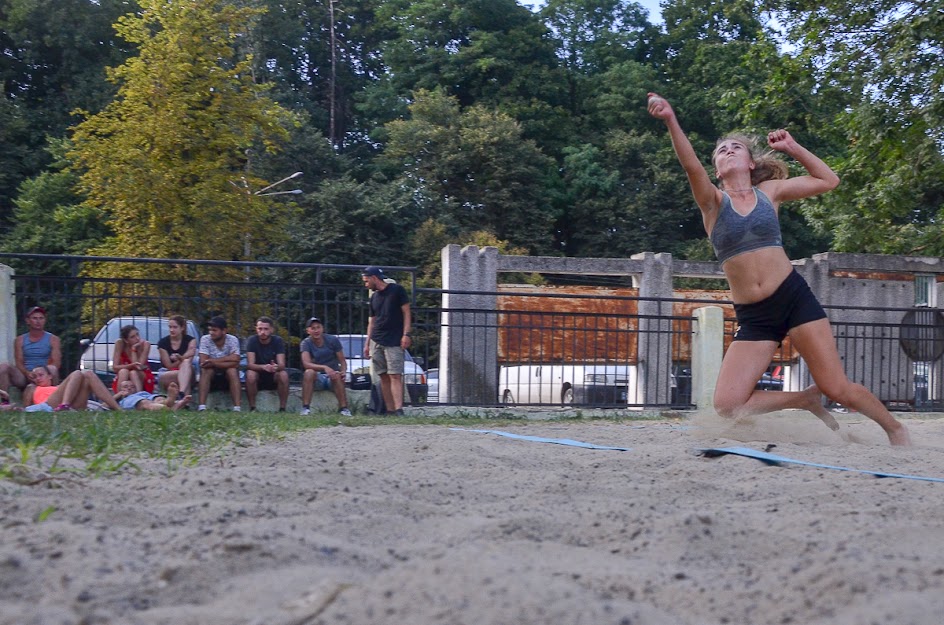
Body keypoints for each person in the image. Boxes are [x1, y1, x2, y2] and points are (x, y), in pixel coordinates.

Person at [647, 92, 911, 446]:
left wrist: (793, 147)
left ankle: (895, 429)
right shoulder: (712, 201)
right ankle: (802, 399)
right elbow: (689, 165)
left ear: (751, 163)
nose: (728, 151)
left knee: (838, 387)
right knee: (728, 405)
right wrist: (670, 120)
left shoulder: (769, 193)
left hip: (793, 297)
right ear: (716, 169)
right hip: (756, 315)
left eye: (735, 147)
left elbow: (829, 181)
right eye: (721, 150)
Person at [362, 266, 412, 416]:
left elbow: (407, 312)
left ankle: (399, 409)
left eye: (366, 281)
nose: (365, 284)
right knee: (383, 375)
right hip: (377, 340)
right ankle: (389, 410)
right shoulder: (374, 298)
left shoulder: (397, 290)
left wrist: (406, 334)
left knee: (395, 375)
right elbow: (372, 321)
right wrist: (367, 343)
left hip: (394, 340)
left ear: (374, 278)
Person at [0, 306, 62, 396]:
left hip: (44, 374)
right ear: (28, 321)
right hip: (25, 375)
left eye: (41, 318)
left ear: (45, 320)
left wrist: (42, 373)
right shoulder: (19, 340)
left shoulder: (53, 339)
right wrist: (27, 373)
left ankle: (55, 398)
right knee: (3, 367)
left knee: (52, 369)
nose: (38, 321)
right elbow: (19, 362)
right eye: (34, 318)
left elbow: (56, 363)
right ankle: (4, 401)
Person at [299, 316, 352, 416]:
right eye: (313, 328)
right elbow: (306, 363)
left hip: (333, 376)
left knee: (338, 376)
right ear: (308, 331)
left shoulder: (332, 340)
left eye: (318, 327)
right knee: (308, 372)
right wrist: (324, 367)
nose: (316, 330)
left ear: (322, 328)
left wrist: (343, 371)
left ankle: (344, 408)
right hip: (317, 377)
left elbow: (342, 361)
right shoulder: (305, 343)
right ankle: (305, 408)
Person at [23, 367, 122, 412]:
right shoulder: (33, 388)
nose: (38, 378)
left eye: (41, 375)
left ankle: (119, 409)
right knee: (77, 373)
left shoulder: (59, 387)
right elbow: (27, 406)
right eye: (35, 376)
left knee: (88, 374)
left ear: (50, 376)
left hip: (73, 405)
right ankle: (64, 406)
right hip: (49, 405)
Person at [196, 316, 242, 412]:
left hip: (227, 372)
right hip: (211, 372)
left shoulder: (233, 339)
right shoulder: (205, 339)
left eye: (214, 330)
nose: (211, 333)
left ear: (224, 331)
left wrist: (213, 361)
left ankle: (237, 408)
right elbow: (203, 363)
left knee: (232, 371)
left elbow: (236, 361)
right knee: (206, 371)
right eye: (210, 330)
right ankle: (201, 407)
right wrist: (227, 361)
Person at [245, 316, 289, 412]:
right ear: (256, 329)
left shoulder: (278, 341)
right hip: (258, 373)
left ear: (272, 330)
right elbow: (250, 364)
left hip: (273, 374)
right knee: (250, 374)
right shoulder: (252, 340)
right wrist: (263, 367)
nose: (263, 332)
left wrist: (275, 367)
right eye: (260, 329)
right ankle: (252, 408)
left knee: (283, 375)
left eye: (266, 329)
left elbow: (282, 364)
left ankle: (282, 408)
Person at [157, 315, 196, 400]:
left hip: (186, 369)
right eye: (170, 327)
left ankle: (181, 393)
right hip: (168, 372)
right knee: (186, 374)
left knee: (186, 365)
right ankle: (185, 401)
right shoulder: (163, 343)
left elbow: (189, 361)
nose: (171, 330)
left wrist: (180, 357)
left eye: (175, 327)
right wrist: (182, 358)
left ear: (182, 328)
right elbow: (169, 366)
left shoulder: (190, 340)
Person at [111, 325, 155, 394]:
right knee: (123, 371)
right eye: (132, 337)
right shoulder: (120, 343)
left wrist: (133, 350)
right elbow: (115, 367)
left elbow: (138, 367)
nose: (137, 338)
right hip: (125, 373)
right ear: (126, 340)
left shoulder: (145, 344)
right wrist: (131, 365)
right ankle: (120, 396)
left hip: (142, 374)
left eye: (137, 334)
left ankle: (139, 396)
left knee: (133, 373)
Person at [114, 379, 190, 411]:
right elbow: (106, 404)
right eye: (126, 387)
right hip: (133, 399)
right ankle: (172, 407)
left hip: (143, 395)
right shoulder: (123, 399)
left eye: (132, 386)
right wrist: (119, 394)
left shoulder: (141, 392)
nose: (129, 388)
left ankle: (169, 401)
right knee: (144, 403)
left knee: (158, 398)